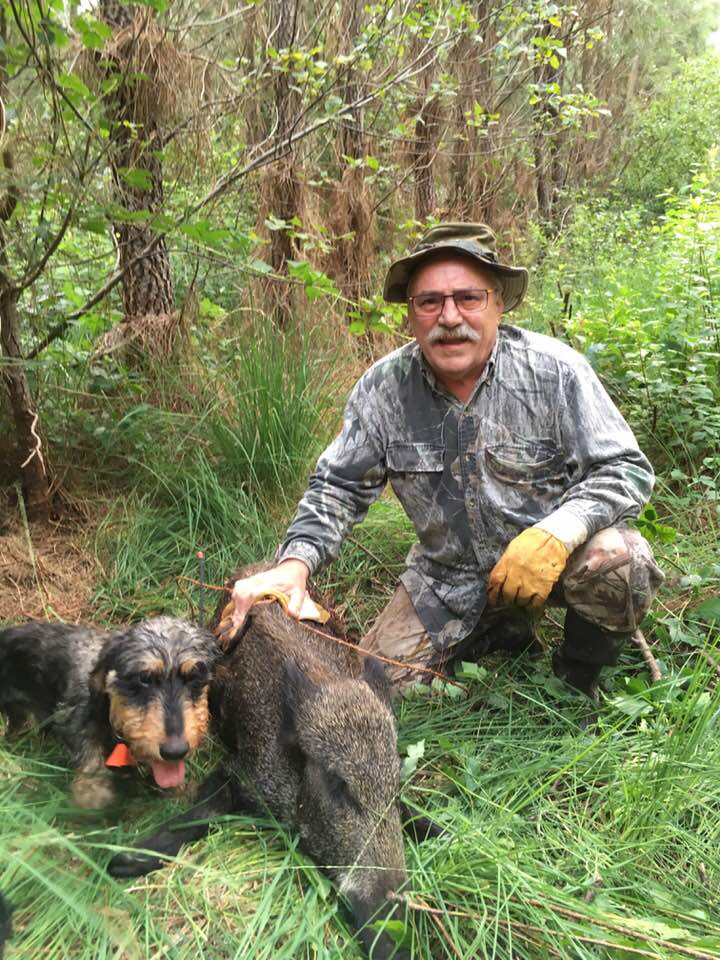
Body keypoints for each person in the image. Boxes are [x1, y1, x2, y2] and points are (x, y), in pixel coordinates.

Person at [227, 223, 664, 699]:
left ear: (499, 304)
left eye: (468, 298)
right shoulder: (383, 390)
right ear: (410, 314)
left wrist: (556, 533)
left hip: (554, 566)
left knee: (623, 561)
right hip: (446, 579)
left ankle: (575, 681)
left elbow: (625, 469)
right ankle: (505, 630)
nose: (449, 317)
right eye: (430, 301)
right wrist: (295, 564)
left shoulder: (555, 373)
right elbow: (338, 487)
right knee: (378, 687)